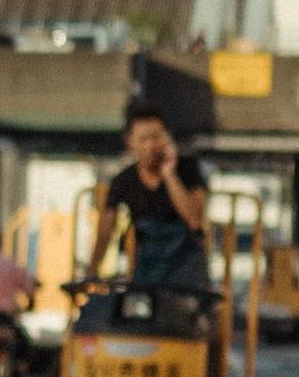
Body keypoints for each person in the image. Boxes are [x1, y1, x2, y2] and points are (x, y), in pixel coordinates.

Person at [90, 106, 212, 292]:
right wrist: (92, 272)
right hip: (148, 268)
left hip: (187, 269)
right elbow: (106, 229)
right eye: (143, 139)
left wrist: (169, 175)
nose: (150, 146)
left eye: (156, 137)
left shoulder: (188, 169)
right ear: (130, 141)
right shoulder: (123, 181)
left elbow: (194, 220)